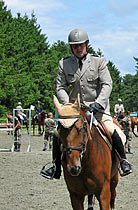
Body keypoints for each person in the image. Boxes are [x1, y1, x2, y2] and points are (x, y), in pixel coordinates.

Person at [40, 28, 132, 180]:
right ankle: (55, 167)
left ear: (87, 44)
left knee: (110, 128)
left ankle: (123, 160)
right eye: (75, 46)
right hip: (74, 111)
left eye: (81, 45)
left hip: (97, 109)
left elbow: (107, 84)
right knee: (58, 133)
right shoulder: (64, 64)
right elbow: (60, 87)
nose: (78, 48)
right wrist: (67, 105)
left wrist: (99, 103)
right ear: (71, 47)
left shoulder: (98, 61)